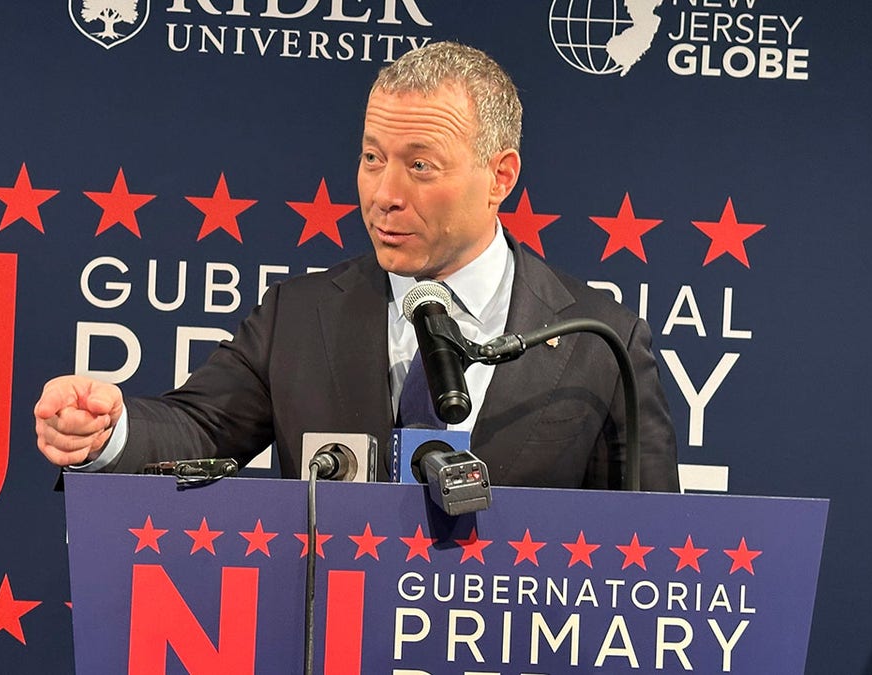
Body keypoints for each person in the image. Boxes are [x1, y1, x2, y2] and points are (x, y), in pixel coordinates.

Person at [34, 42, 680, 491]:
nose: (383, 193)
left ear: (499, 176)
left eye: (419, 165)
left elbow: (644, 540)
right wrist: (108, 432)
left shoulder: (599, 338)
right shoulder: (299, 315)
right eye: (373, 158)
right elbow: (200, 427)